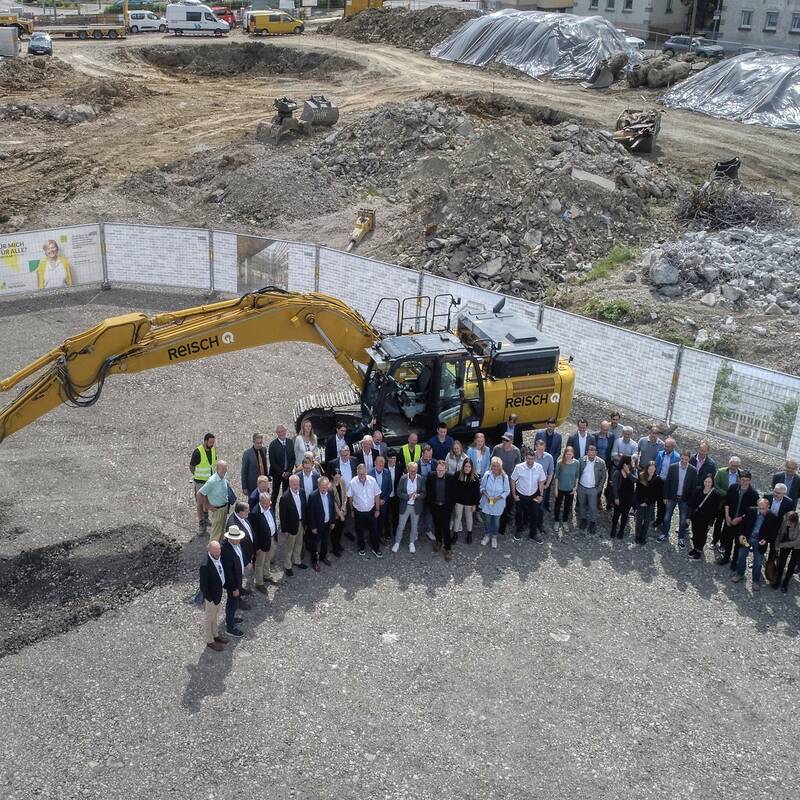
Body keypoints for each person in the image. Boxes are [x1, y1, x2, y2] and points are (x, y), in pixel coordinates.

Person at [731, 498, 779, 589]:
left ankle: (755, 581)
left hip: (759, 543)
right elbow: (742, 524)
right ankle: (740, 574)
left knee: (758, 561)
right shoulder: (751, 510)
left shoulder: (772, 517)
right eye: (759, 508)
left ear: (768, 507)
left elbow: (773, 532)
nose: (761, 510)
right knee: (741, 556)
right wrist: (741, 535)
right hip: (747, 539)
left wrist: (766, 540)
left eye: (763, 508)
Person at [718, 469, 759, 569]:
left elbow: (752, 512)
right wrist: (727, 516)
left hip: (743, 524)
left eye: (746, 480)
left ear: (750, 480)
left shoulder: (754, 494)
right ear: (739, 479)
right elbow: (727, 502)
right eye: (742, 479)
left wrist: (740, 519)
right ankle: (726, 557)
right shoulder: (733, 488)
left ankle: (735, 561)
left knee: (739, 543)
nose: (744, 481)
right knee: (728, 540)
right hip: (730, 519)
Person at [658, 449, 698, 548]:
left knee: (682, 519)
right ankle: (664, 534)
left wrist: (690, 501)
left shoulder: (693, 470)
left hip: (684, 499)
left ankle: (680, 538)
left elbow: (693, 488)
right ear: (680, 457)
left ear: (689, 459)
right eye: (683, 458)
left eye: (686, 459)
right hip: (671, 497)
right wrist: (665, 496)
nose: (684, 461)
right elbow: (667, 482)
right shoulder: (673, 467)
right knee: (667, 517)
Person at [511, 450, 547, 543]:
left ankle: (533, 534)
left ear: (535, 458)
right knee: (519, 514)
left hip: (534, 495)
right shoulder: (519, 467)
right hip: (521, 495)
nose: (530, 461)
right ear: (525, 458)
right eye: (528, 458)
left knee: (535, 514)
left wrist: (541, 495)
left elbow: (541, 482)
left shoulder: (539, 467)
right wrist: (514, 495)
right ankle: (519, 530)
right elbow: (513, 480)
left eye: (532, 459)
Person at [198, 540, 228, 651]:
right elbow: (203, 586)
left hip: (218, 594)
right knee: (209, 618)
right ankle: (210, 641)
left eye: (219, 550)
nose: (218, 553)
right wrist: (210, 599)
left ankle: (215, 635)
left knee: (215, 617)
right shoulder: (205, 565)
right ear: (209, 551)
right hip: (212, 597)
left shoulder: (218, 556)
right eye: (215, 551)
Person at [349, 463, 383, 558]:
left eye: (363, 474)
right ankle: (361, 547)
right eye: (360, 474)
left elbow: (377, 495)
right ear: (357, 473)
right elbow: (350, 497)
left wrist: (377, 509)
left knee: (374, 531)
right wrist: (352, 510)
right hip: (358, 512)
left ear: (366, 472)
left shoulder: (372, 480)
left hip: (371, 511)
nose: (362, 476)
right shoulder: (353, 482)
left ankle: (376, 548)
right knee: (359, 531)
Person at [492, 432, 522, 535]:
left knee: (509, 500)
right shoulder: (497, 449)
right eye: (503, 440)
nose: (504, 442)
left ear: (511, 441)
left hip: (510, 479)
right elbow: (492, 461)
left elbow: (518, 467)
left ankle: (507, 515)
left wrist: (516, 480)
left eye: (507, 441)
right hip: (498, 477)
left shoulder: (516, 451)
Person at [250, 492, 281, 591]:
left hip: (271, 539)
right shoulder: (255, 513)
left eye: (269, 503)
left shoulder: (269, 507)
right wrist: (257, 548)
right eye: (265, 504)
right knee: (259, 563)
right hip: (262, 544)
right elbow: (254, 533)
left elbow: (273, 522)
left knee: (268, 559)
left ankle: (266, 575)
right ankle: (259, 583)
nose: (268, 506)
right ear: (261, 502)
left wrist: (275, 536)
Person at [426, 460, 456, 560]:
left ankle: (448, 548)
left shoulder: (451, 478)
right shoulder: (431, 476)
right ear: (436, 469)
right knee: (437, 526)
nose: (440, 472)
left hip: (446, 507)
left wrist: (450, 507)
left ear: (446, 470)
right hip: (435, 506)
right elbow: (428, 491)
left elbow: (453, 495)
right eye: (438, 470)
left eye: (442, 470)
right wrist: (431, 505)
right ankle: (439, 541)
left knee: (446, 528)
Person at [394, 461, 426, 553]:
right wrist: (408, 496)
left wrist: (418, 496)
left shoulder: (420, 478)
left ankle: (411, 543)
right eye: (411, 471)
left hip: (416, 506)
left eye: (415, 471)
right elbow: (398, 492)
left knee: (414, 526)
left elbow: (424, 493)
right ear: (408, 470)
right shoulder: (403, 478)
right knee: (401, 526)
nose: (413, 473)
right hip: (405, 505)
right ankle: (397, 542)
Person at [221, 525, 246, 638]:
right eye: (238, 538)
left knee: (233, 603)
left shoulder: (235, 544)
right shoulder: (226, 551)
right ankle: (230, 628)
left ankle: (230, 619)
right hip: (233, 584)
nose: (239, 540)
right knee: (232, 603)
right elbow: (228, 574)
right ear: (231, 538)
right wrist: (234, 588)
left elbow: (240, 555)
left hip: (237, 580)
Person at [279, 474, 307, 576]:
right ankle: (288, 566)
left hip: (301, 523)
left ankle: (297, 561)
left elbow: (304, 508)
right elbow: (282, 516)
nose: (296, 486)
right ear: (290, 484)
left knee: (299, 543)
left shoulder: (302, 492)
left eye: (297, 484)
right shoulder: (285, 498)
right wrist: (284, 530)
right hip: (291, 526)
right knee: (289, 547)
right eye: (294, 484)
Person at [713, 456, 742, 554]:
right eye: (731, 465)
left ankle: (723, 543)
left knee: (727, 524)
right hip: (721, 502)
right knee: (718, 523)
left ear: (738, 466)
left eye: (735, 466)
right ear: (729, 463)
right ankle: (714, 540)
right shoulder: (721, 472)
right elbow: (715, 486)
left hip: (732, 505)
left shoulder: (741, 475)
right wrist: (726, 493)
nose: (733, 467)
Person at [226, 501, 255, 597]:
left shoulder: (243, 517)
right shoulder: (233, 525)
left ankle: (240, 588)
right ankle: (237, 598)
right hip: (240, 556)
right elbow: (237, 548)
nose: (249, 512)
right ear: (240, 512)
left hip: (245, 553)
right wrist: (246, 561)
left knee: (240, 576)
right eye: (247, 511)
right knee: (237, 575)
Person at [307, 476, 336, 572]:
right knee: (314, 544)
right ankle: (314, 561)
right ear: (318, 486)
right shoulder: (313, 496)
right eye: (322, 487)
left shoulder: (330, 492)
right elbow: (310, 514)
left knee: (325, 542)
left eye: (326, 486)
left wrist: (332, 521)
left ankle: (323, 557)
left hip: (327, 524)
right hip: (317, 526)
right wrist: (313, 527)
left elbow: (332, 508)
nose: (324, 489)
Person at [688, 474, 720, 559]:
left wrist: (711, 522)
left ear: (712, 482)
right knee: (695, 533)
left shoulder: (716, 494)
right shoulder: (698, 489)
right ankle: (695, 548)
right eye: (706, 481)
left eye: (709, 482)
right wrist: (688, 516)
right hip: (695, 517)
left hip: (706, 519)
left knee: (702, 535)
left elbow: (715, 510)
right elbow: (691, 503)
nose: (707, 483)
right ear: (703, 481)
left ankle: (699, 550)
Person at [480, 457, 510, 549]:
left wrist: (497, 498)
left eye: (497, 466)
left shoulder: (504, 477)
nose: (495, 468)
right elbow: (482, 487)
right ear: (491, 466)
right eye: (494, 466)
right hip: (487, 502)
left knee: (496, 522)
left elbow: (507, 491)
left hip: (498, 504)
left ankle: (494, 536)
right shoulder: (487, 475)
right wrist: (487, 495)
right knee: (487, 520)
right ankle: (487, 534)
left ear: (500, 467)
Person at [190, 433, 216, 536]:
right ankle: (201, 524)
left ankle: (206, 518)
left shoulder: (213, 450)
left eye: (213, 442)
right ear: (205, 441)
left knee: (207, 501)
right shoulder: (198, 452)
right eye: (210, 442)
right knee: (200, 503)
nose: (212, 444)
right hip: (200, 482)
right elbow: (192, 466)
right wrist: (196, 476)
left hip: (209, 481)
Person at [577, 444, 607, 534]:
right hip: (581, 487)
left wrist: (599, 488)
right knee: (581, 504)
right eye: (589, 455)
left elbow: (603, 477)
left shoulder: (601, 462)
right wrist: (577, 485)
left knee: (593, 507)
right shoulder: (581, 460)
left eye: (593, 455)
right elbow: (577, 473)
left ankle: (593, 522)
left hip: (593, 489)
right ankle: (583, 520)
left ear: (596, 453)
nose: (591, 457)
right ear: (587, 453)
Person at [198, 460, 231, 543]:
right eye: (222, 468)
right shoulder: (212, 481)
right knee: (215, 533)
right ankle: (212, 552)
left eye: (225, 468)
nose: (224, 470)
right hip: (217, 510)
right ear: (217, 469)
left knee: (221, 531)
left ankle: (219, 549)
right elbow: (200, 493)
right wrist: (208, 506)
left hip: (224, 507)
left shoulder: (225, 476)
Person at [452, 458, 480, 544]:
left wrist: (475, 504)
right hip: (459, 501)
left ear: (471, 467)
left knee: (469, 517)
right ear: (463, 466)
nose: (467, 468)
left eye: (469, 466)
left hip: (469, 502)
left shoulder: (475, 477)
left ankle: (469, 533)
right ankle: (455, 534)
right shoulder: (457, 475)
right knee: (457, 517)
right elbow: (454, 489)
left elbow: (476, 493)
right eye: (465, 466)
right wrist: (454, 501)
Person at [634, 461, 662, 544]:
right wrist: (641, 501)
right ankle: (637, 536)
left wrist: (648, 502)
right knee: (639, 519)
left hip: (650, 503)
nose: (651, 471)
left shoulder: (657, 479)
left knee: (647, 520)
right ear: (647, 469)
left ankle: (643, 537)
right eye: (650, 469)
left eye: (653, 469)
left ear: (655, 469)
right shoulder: (642, 476)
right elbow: (638, 490)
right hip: (640, 502)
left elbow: (657, 493)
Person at [772, 511, 800, 593]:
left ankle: (785, 583)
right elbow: (780, 533)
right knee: (781, 562)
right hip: (785, 541)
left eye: (787, 521)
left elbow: (796, 542)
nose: (785, 522)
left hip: (797, 547)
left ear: (793, 522)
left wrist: (781, 545)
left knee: (792, 565)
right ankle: (778, 580)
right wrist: (777, 544)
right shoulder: (785, 521)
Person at [655, 438, 680, 527]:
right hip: (659, 480)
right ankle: (657, 519)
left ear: (673, 447)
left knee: (664, 503)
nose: (665, 448)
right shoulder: (660, 454)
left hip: (668, 483)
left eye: (668, 447)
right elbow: (656, 465)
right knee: (657, 500)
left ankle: (662, 520)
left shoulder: (677, 457)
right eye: (665, 446)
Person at [553, 445, 579, 534]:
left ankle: (564, 521)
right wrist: (555, 489)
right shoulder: (559, 463)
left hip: (570, 489)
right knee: (557, 505)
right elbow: (556, 477)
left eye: (570, 454)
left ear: (573, 454)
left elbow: (577, 476)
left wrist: (575, 487)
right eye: (567, 454)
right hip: (560, 488)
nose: (568, 456)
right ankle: (556, 521)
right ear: (564, 454)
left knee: (567, 506)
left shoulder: (576, 463)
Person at [609, 456, 636, 540]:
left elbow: (636, 480)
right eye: (630, 462)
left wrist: (628, 472)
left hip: (629, 497)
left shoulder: (633, 471)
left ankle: (621, 531)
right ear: (625, 463)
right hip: (619, 496)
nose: (632, 463)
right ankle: (613, 529)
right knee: (616, 514)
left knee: (625, 515)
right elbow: (614, 487)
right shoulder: (617, 472)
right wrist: (616, 498)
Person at [269, 425, 296, 503]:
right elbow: (272, 462)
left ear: (285, 431)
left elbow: (293, 458)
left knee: (286, 494)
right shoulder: (273, 445)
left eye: (283, 431)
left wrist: (289, 471)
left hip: (288, 474)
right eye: (279, 432)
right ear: (277, 433)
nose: (281, 433)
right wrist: (282, 473)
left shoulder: (290, 442)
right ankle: (272, 511)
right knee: (274, 494)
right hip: (277, 474)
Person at [531, 438, 554, 530]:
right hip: (531, 485)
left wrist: (547, 484)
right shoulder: (531, 456)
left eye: (542, 449)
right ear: (535, 447)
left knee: (540, 507)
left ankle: (539, 525)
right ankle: (528, 522)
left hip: (541, 486)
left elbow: (551, 472)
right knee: (531, 505)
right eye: (539, 449)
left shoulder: (549, 457)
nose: (540, 451)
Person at [593, 420, 615, 511]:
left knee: (601, 482)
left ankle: (597, 500)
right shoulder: (594, 436)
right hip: (595, 463)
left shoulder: (611, 437)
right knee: (593, 480)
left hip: (605, 464)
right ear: (600, 428)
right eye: (603, 429)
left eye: (606, 430)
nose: (604, 431)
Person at [370, 455, 393, 543]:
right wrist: (376, 500)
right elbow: (368, 490)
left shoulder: (387, 472)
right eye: (379, 462)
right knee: (373, 520)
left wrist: (384, 499)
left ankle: (380, 535)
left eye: (383, 463)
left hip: (383, 502)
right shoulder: (369, 473)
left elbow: (390, 488)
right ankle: (373, 537)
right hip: (373, 502)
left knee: (382, 520)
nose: (381, 464)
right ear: (375, 463)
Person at [416, 445, 436, 541]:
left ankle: (428, 530)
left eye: (430, 456)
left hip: (430, 494)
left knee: (429, 513)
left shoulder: (435, 463)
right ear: (422, 454)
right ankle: (416, 532)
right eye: (426, 456)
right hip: (419, 493)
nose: (428, 458)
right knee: (418, 513)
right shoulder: (416, 464)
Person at [241, 433, 268, 499]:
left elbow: (264, 464)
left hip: (263, 483)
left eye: (261, 443)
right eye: (257, 443)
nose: (259, 445)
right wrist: (244, 487)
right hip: (252, 485)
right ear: (253, 442)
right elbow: (244, 471)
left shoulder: (264, 450)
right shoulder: (247, 454)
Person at [328, 469, 348, 557]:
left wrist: (343, 508)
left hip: (343, 511)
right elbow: (333, 502)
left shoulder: (342, 482)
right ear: (332, 476)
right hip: (335, 513)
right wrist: (339, 513)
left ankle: (338, 544)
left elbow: (345, 496)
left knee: (340, 529)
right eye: (336, 477)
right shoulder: (329, 486)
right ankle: (334, 548)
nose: (338, 479)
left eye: (339, 477)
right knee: (334, 531)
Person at [384, 450, 402, 541]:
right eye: (391, 458)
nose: (393, 460)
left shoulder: (399, 467)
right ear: (387, 458)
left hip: (395, 496)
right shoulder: (383, 467)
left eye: (394, 458)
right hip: (386, 496)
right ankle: (387, 532)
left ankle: (395, 530)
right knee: (386, 516)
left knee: (395, 515)